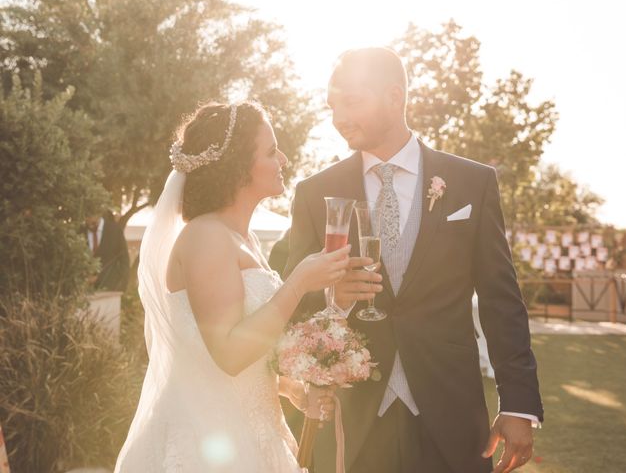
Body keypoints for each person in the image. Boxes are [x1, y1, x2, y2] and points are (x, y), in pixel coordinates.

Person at [284, 48, 543, 473]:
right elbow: (296, 305)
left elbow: (501, 299)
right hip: (354, 411)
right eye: (332, 107)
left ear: (394, 96)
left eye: (351, 102)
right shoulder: (314, 193)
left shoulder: (471, 183)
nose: (339, 118)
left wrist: (517, 402)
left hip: (451, 406)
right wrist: (338, 300)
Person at [115, 101, 347, 472]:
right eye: (271, 151)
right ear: (239, 167)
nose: (283, 159)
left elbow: (246, 347)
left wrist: (292, 389)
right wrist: (300, 281)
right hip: (207, 444)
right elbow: (228, 353)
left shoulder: (243, 239)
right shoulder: (206, 236)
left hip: (255, 433)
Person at [85, 211, 130, 292]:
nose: (89, 221)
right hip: (83, 293)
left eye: (91, 217)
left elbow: (124, 260)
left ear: (98, 213)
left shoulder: (115, 231)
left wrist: (121, 287)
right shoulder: (80, 231)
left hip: (111, 290)